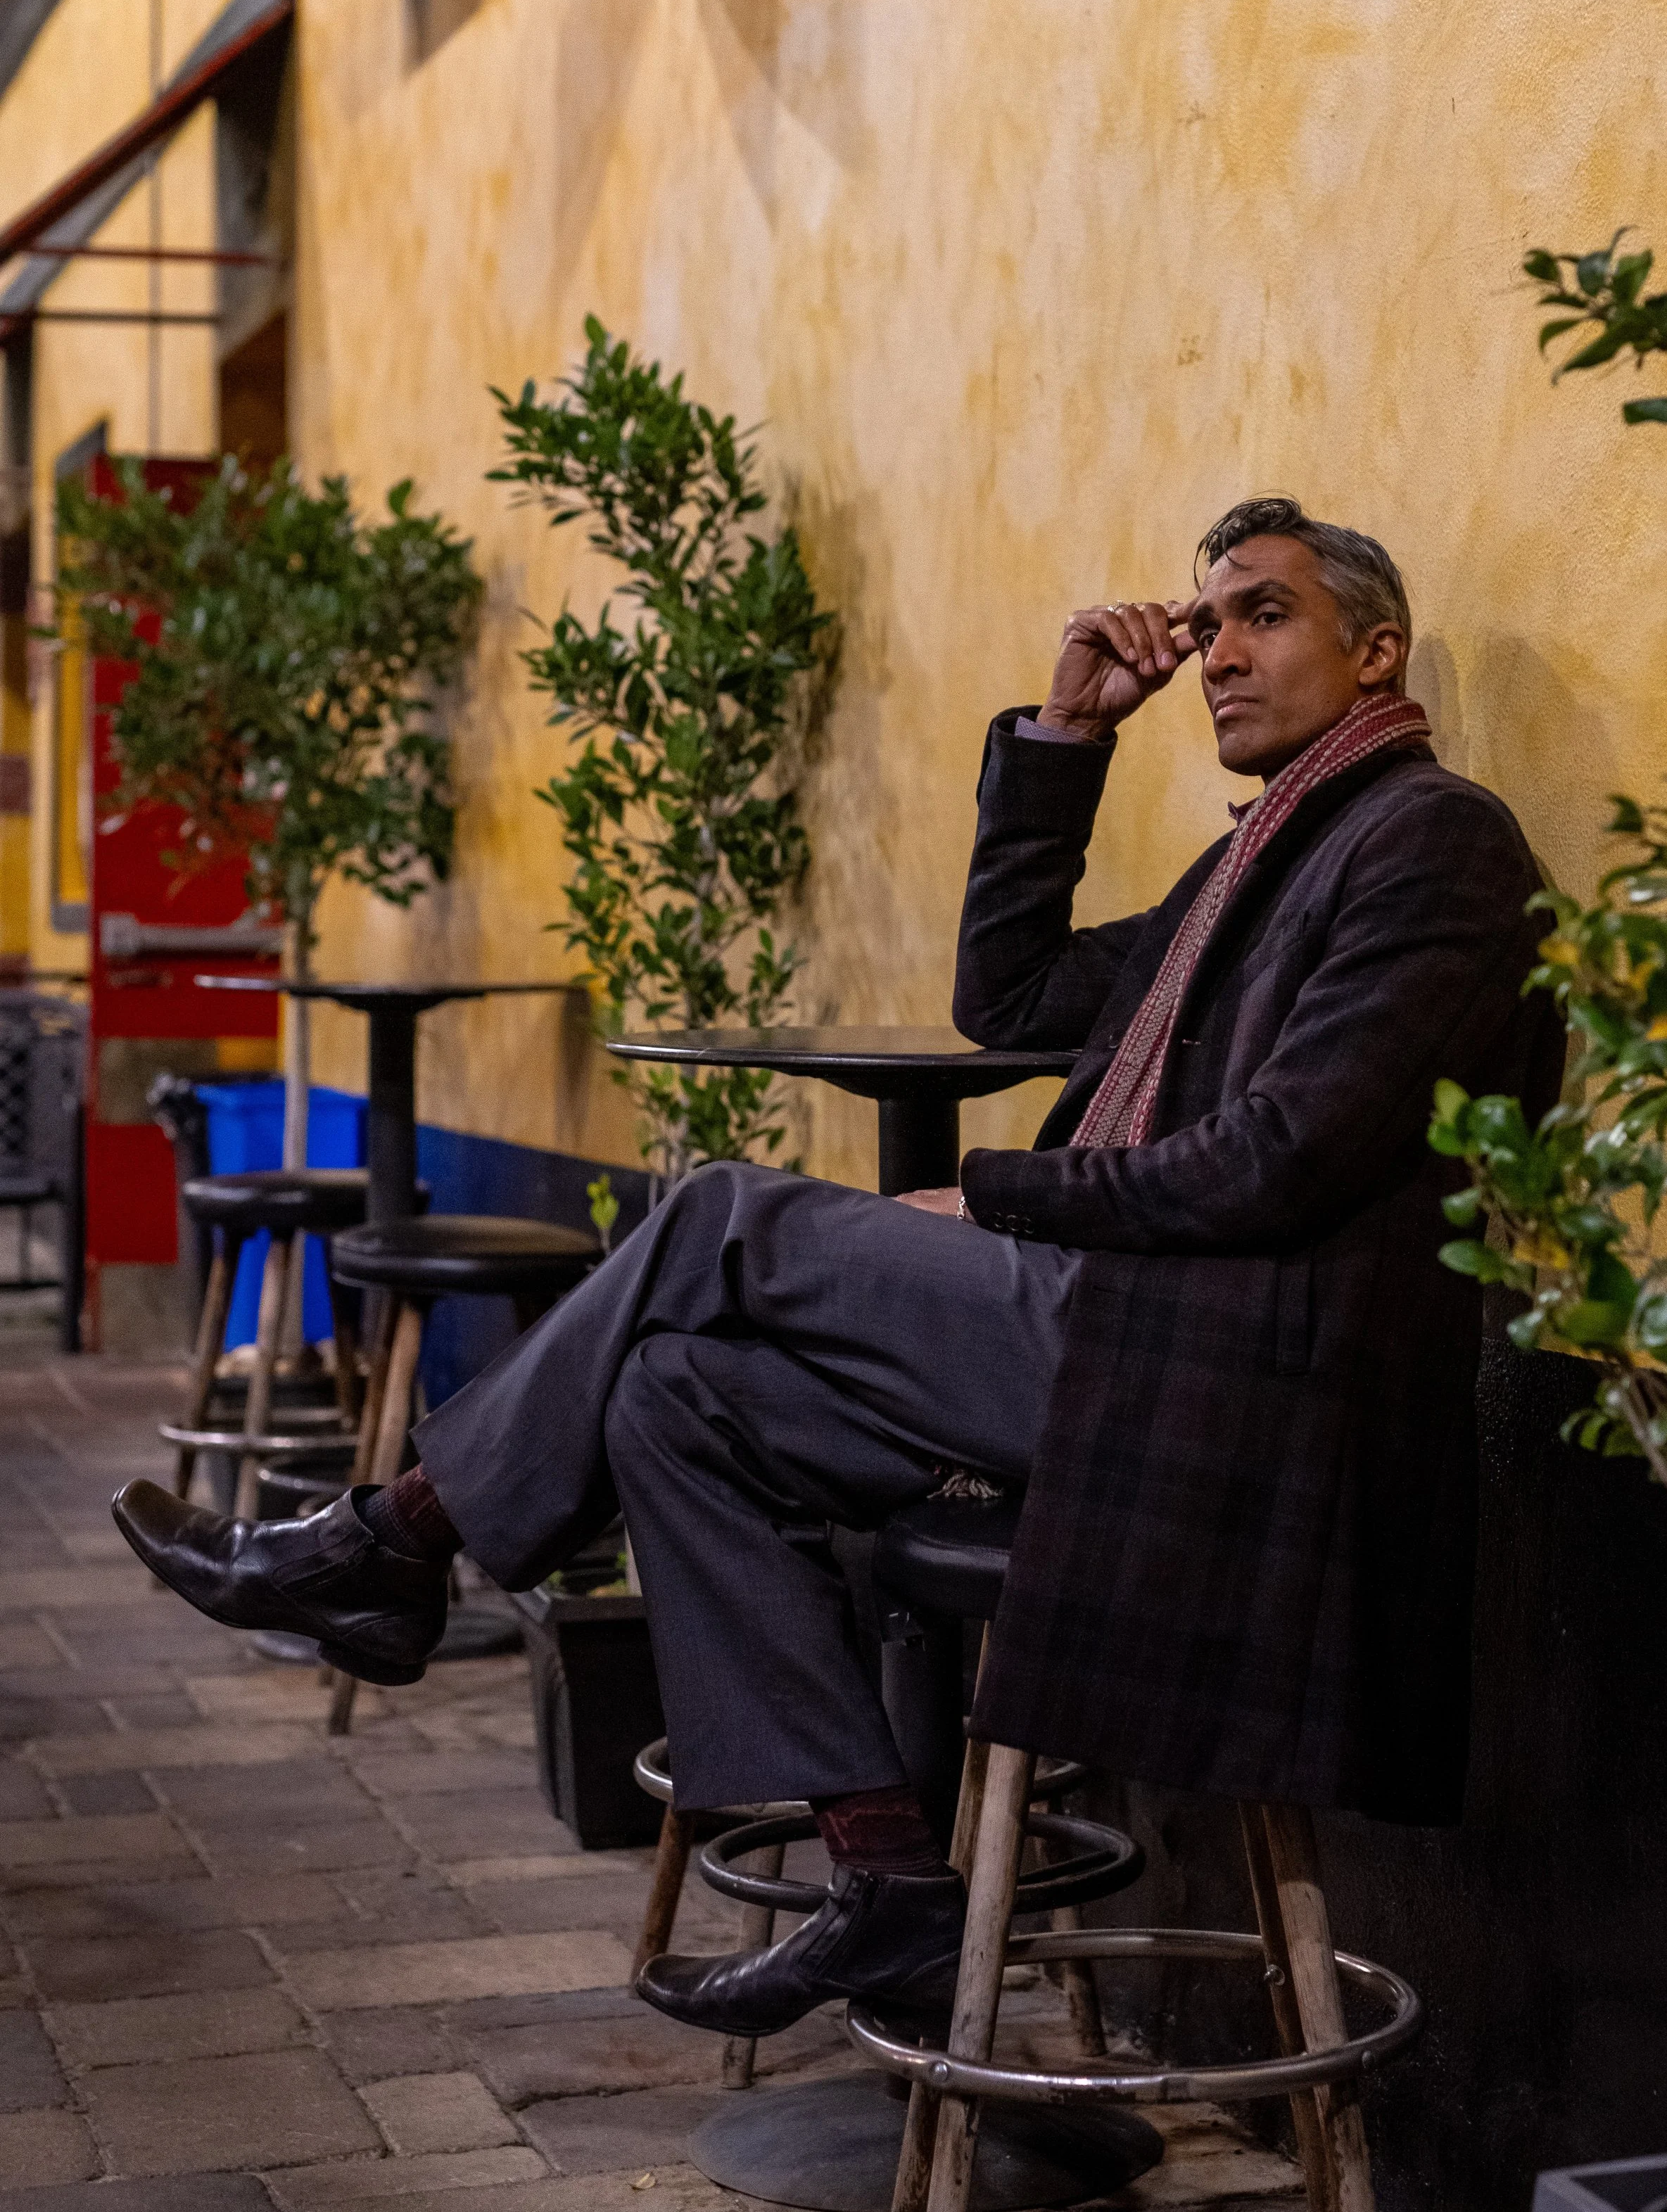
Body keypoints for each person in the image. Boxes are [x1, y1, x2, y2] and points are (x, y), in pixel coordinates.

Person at [113, 494, 1560, 2042]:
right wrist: (1067, 736)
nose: (1217, 655)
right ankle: (886, 1878)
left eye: (1264, 615)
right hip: (1130, 1338)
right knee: (676, 1393)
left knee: (717, 1211)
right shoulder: (1256, 863)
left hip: (1234, 1387)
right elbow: (1010, 995)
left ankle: (393, 1538)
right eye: (1205, 625)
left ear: (1376, 651)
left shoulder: (1433, 843)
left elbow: (1283, 1159)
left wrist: (995, 1199)